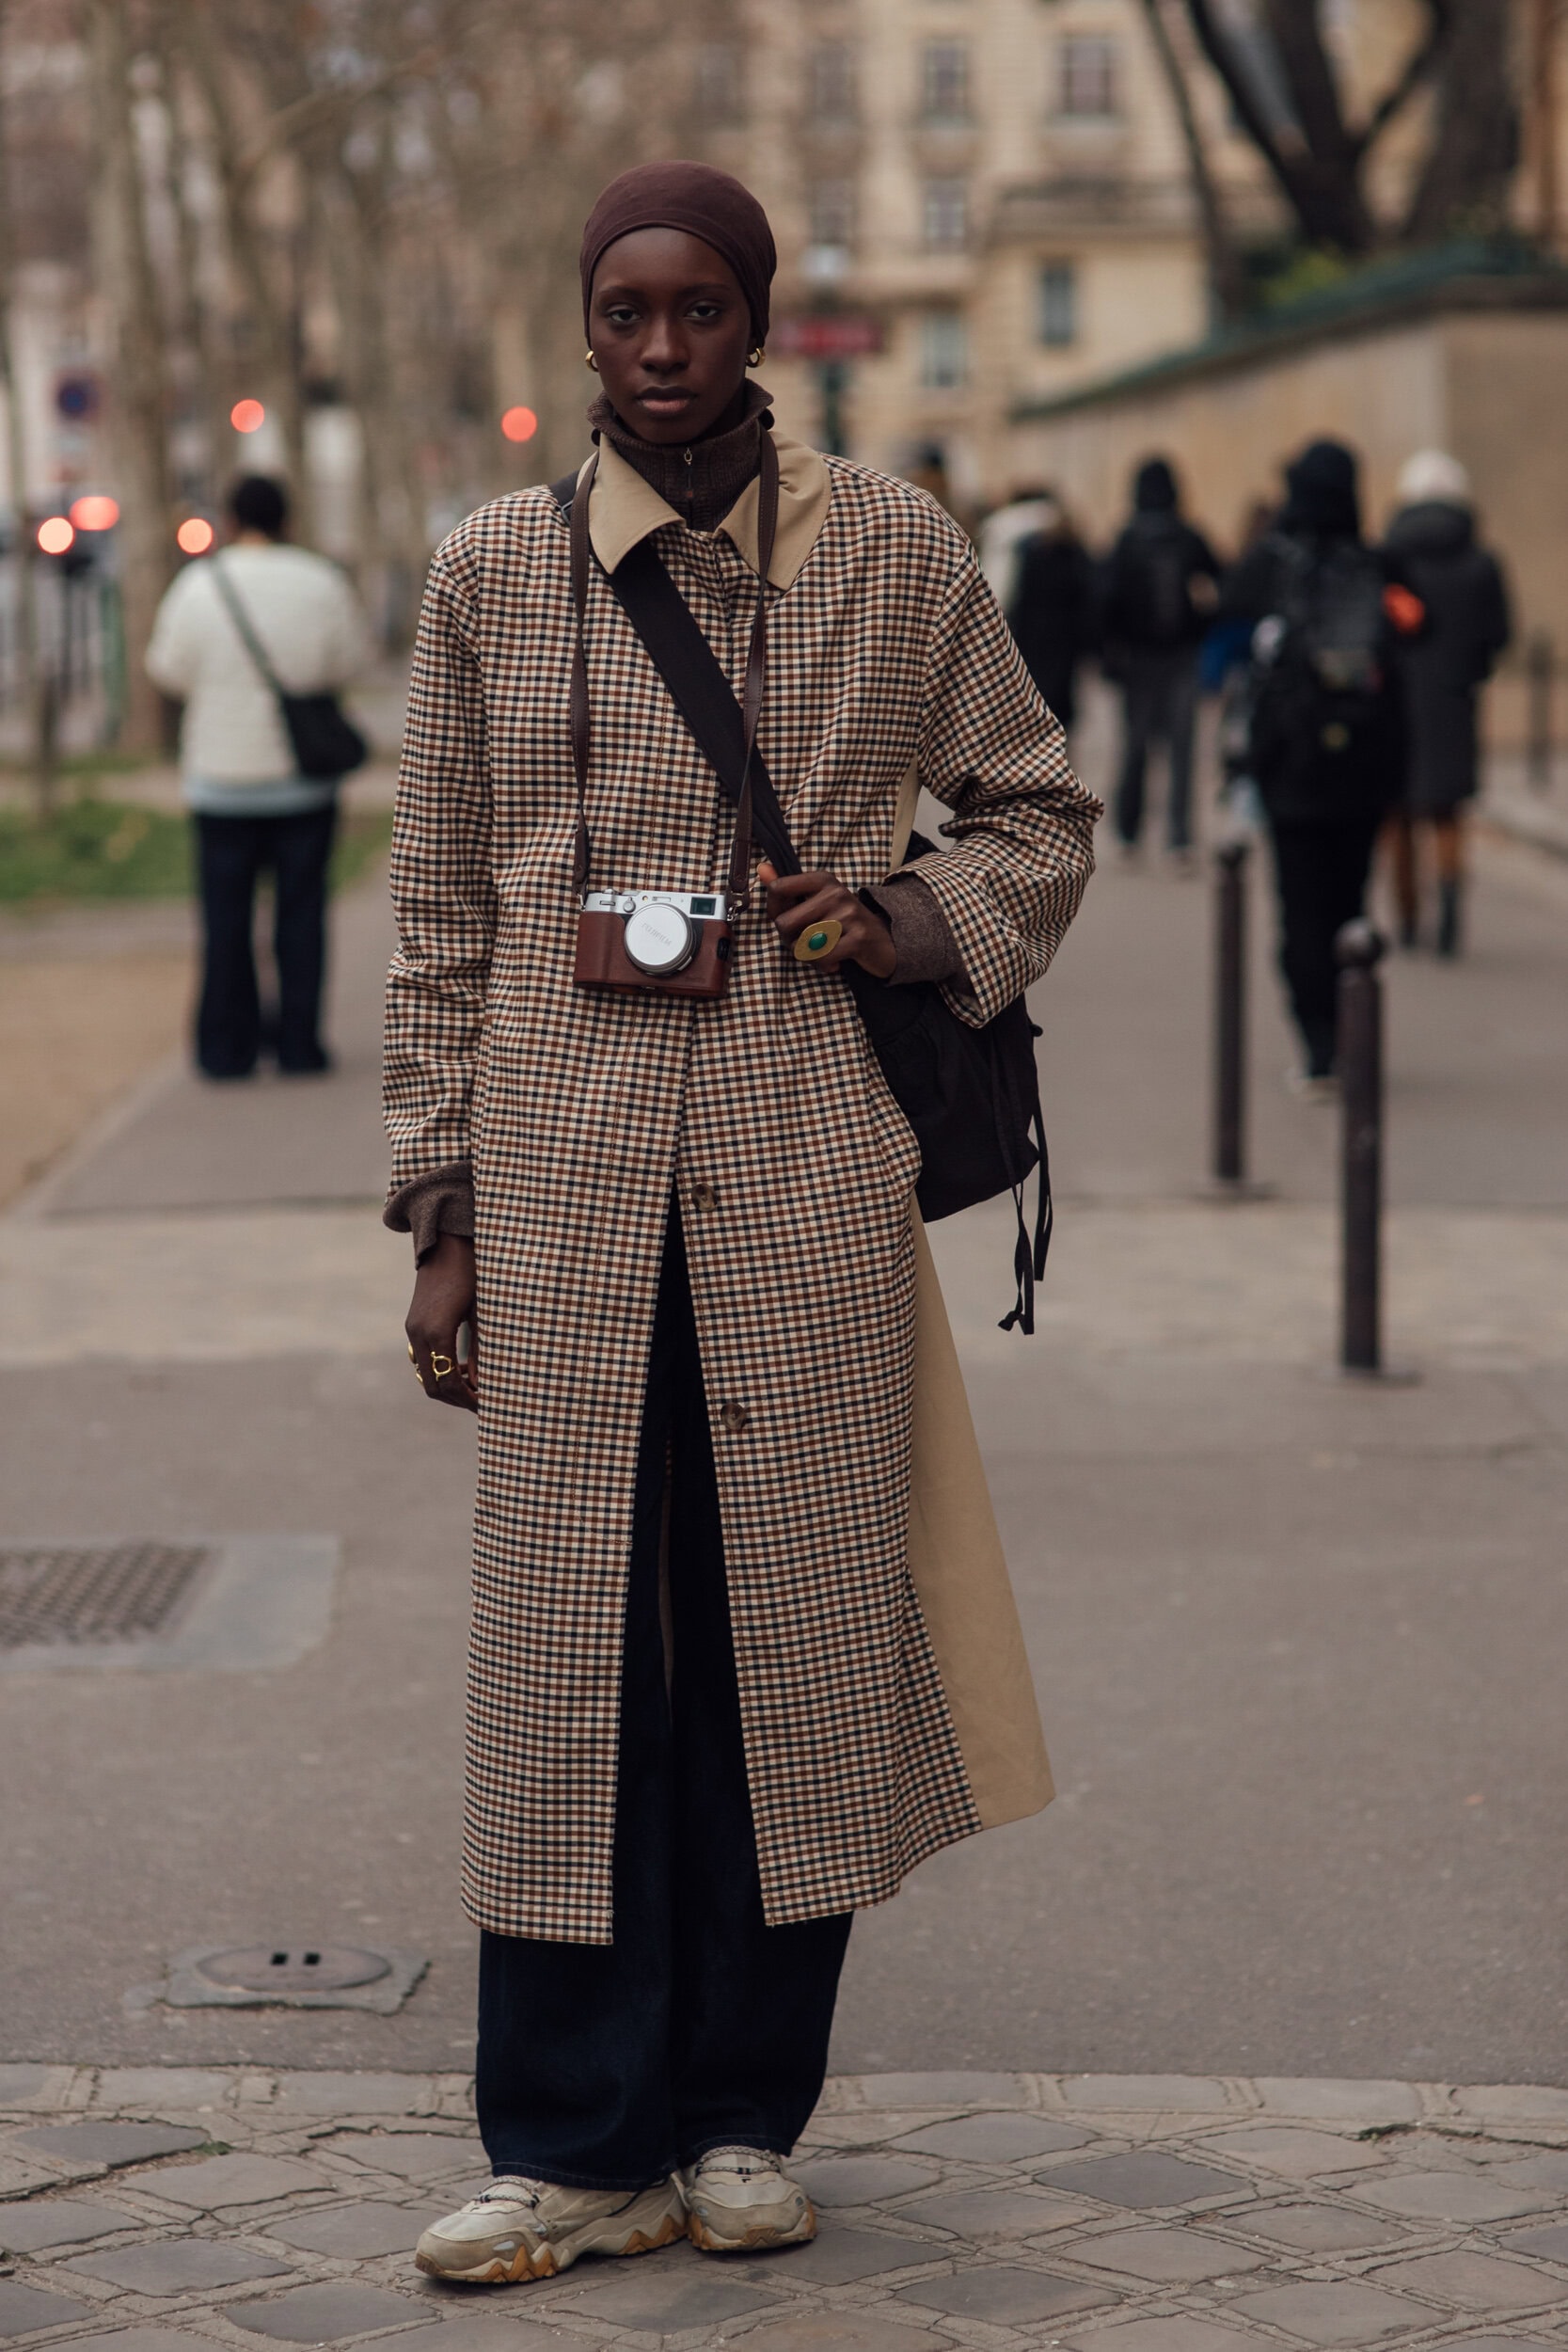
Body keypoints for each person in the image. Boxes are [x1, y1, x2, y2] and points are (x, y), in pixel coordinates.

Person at [383, 161, 1099, 2286]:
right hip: (565, 1182)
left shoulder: (891, 549)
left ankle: (738, 2118)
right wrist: (441, 1206)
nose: (666, 344)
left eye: (702, 306)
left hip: (799, 1173)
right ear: (585, 332)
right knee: (571, 1657)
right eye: (627, 310)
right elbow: (435, 914)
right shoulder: (489, 575)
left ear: (760, 318)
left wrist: (900, 915)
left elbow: (1041, 809)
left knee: (785, 1646)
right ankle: (564, 2132)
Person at [146, 474, 370, 1078]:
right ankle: (299, 1044)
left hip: (221, 783)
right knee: (300, 915)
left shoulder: (199, 584)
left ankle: (226, 1051)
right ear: (287, 518)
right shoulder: (320, 581)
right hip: (303, 784)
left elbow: (166, 667)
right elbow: (349, 659)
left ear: (230, 517)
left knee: (226, 921)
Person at [1220, 438, 1421, 1091]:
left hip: (1291, 768)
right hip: (1366, 765)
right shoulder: (1378, 563)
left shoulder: (1270, 564)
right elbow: (1422, 627)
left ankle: (1318, 1045)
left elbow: (1223, 619)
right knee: (1349, 900)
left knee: (1298, 908)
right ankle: (1350, 1023)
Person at [1381, 450, 1511, 957]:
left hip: (1396, 700)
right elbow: (1499, 633)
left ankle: (1408, 912)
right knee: (1448, 810)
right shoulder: (1482, 562)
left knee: (1398, 814)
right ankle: (1452, 898)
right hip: (1455, 698)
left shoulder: (1390, 558)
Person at [1099, 455, 1221, 865]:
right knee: (1179, 750)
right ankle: (1177, 839)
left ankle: (1131, 832)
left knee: (1136, 749)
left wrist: (1111, 653)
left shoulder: (1128, 538)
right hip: (1177, 653)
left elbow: (1106, 603)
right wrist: (1201, 623)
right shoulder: (1187, 535)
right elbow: (1221, 580)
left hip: (1141, 657)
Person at [1003, 491, 1099, 739]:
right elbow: (1088, 603)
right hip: (1061, 645)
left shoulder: (1034, 555)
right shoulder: (1075, 557)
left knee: (1038, 703)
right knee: (1059, 708)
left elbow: (1020, 601)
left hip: (1038, 642)